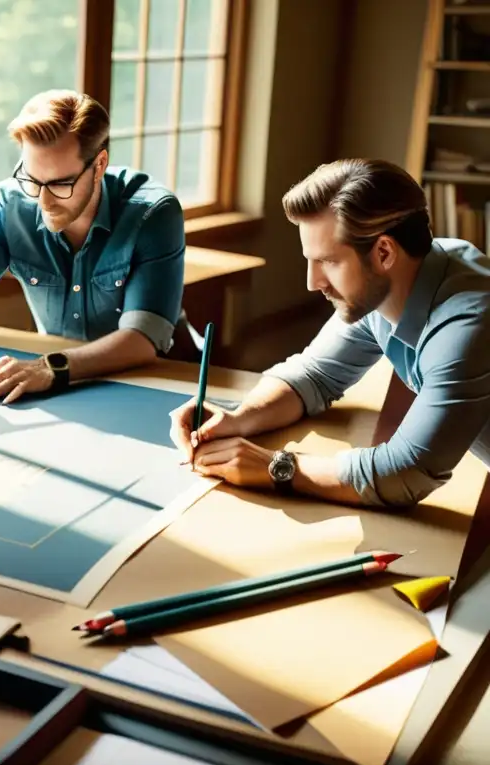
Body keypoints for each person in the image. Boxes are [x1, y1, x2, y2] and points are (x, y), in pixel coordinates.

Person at [169, 158, 490, 508]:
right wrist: (238, 416)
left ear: (384, 251)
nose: (313, 282)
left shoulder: (468, 324)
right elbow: (314, 375)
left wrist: (275, 466)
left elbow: (405, 473)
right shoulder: (394, 281)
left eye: (329, 261)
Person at [0, 89, 186, 405]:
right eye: (31, 179)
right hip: (60, 388)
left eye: (59, 184)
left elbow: (143, 339)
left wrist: (49, 367)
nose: (43, 200)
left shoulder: (154, 213)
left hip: (156, 385)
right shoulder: (11, 204)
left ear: (99, 165)